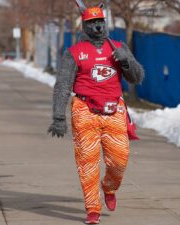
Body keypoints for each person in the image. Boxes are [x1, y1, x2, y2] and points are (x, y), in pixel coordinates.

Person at [47, 1, 144, 224]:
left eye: (100, 22)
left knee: (119, 161)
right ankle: (93, 208)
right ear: (85, 25)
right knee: (87, 163)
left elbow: (137, 78)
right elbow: (62, 85)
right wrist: (58, 117)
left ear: (105, 23)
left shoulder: (118, 47)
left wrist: (127, 62)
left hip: (114, 111)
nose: (97, 27)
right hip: (84, 111)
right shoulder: (74, 53)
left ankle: (109, 187)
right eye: (92, 23)